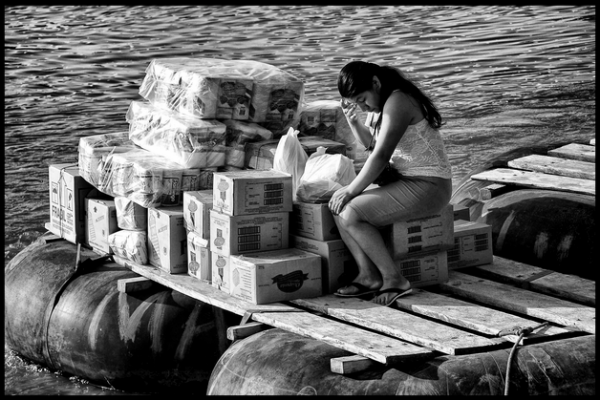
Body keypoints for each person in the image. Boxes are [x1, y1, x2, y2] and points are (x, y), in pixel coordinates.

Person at [328, 60, 453, 306]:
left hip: (429, 186)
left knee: (350, 211)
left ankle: (394, 279)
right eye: (356, 103)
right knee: (337, 206)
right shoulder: (380, 103)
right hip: (407, 181)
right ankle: (369, 276)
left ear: (376, 82)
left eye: (362, 99)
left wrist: (352, 190)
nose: (362, 106)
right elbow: (372, 146)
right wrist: (353, 121)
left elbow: (381, 155)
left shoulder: (398, 100)